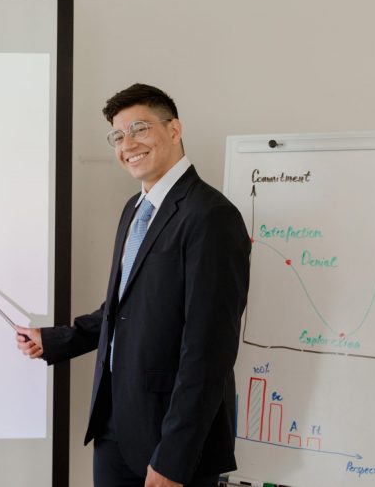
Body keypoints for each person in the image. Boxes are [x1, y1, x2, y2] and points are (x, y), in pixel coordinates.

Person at [16, 83, 250, 487]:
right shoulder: (134, 209)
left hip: (170, 444)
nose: (128, 144)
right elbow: (123, 306)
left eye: (140, 129)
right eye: (118, 136)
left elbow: (209, 352)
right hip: (115, 428)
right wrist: (57, 339)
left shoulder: (210, 216)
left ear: (174, 130)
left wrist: (174, 459)